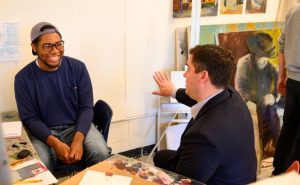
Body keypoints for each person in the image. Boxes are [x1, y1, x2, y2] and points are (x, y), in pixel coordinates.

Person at [152, 44, 257, 184]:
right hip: (241, 175)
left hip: (217, 179)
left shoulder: (203, 136)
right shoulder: (230, 94)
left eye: (188, 69)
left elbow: (185, 182)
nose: (184, 74)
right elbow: (200, 98)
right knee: (161, 156)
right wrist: (172, 91)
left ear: (203, 75)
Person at [14, 22, 110, 172]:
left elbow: (86, 107)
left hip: (76, 126)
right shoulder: (23, 79)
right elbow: (30, 118)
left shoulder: (78, 68)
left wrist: (78, 140)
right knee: (40, 165)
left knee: (100, 152)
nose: (55, 51)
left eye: (59, 44)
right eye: (47, 46)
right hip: (44, 133)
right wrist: (54, 143)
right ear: (34, 47)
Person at [235, 32, 283, 157]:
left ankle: (278, 152)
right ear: (255, 53)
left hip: (265, 104)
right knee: (256, 120)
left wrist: (273, 97)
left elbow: (279, 86)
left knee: (273, 116)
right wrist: (250, 103)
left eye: (267, 56)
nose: (264, 59)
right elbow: (240, 89)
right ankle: (256, 152)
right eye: (262, 55)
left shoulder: (271, 67)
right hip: (248, 104)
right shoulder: (243, 63)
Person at [273, 4, 300, 175]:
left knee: (290, 125)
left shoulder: (294, 10)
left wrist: (281, 75)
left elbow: (281, 45)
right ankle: (292, 175)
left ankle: (279, 168)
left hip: (293, 80)